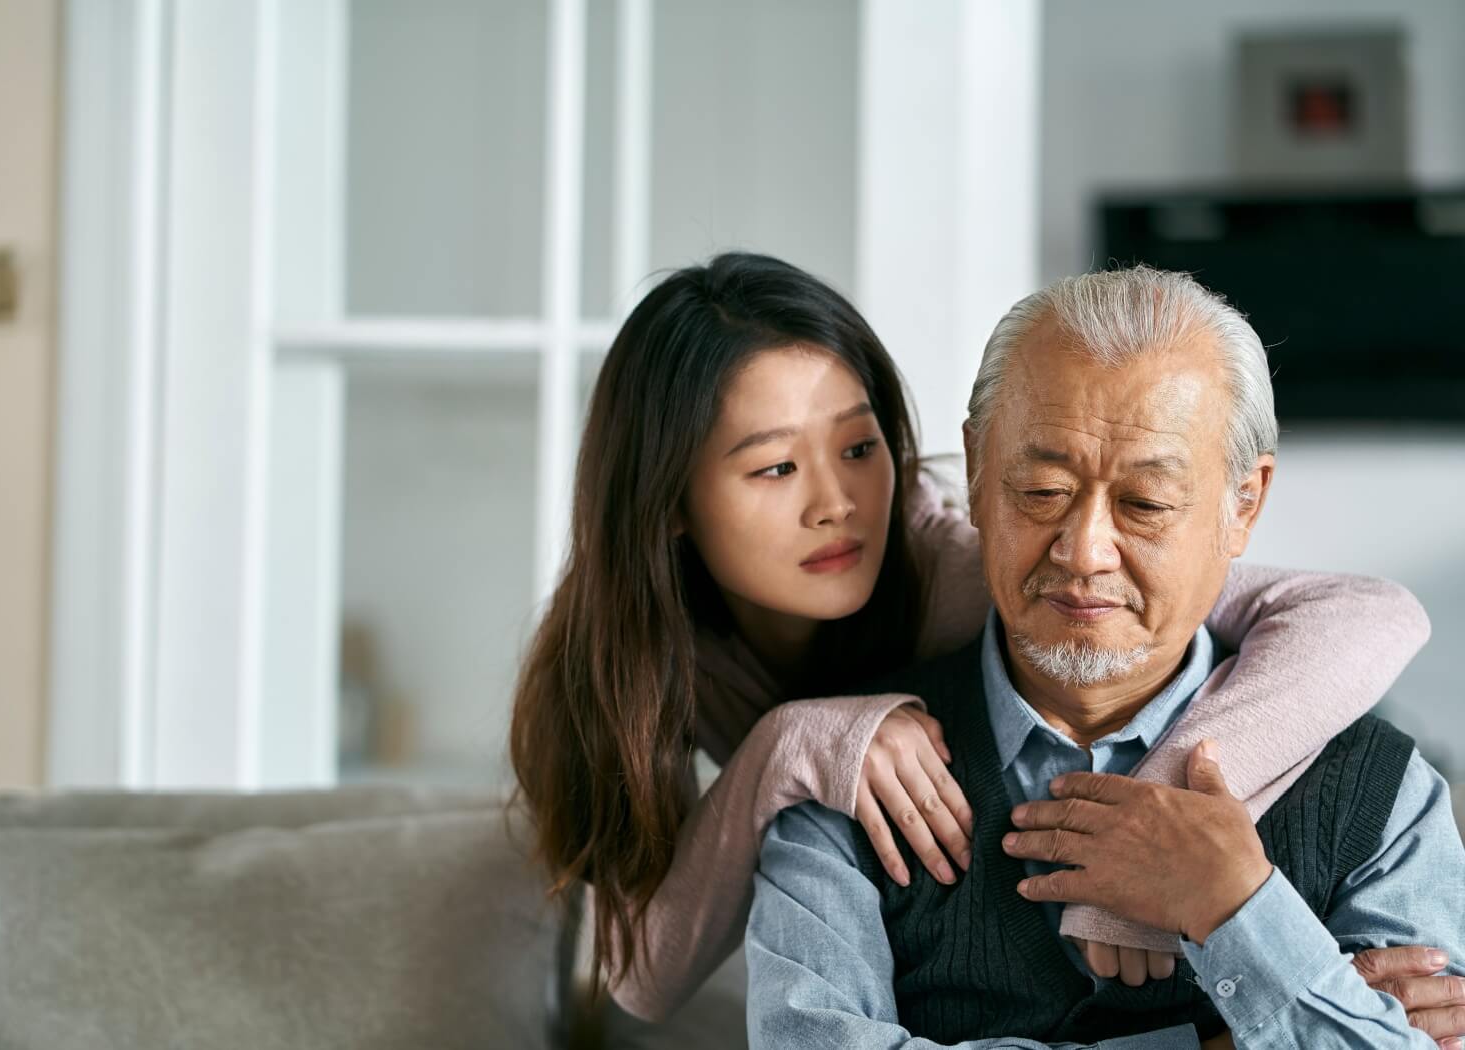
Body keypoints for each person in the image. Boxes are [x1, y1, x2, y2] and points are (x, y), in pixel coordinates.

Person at [507, 253, 1435, 1021]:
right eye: (776, 467)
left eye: (861, 447)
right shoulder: (629, 654)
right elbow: (641, 975)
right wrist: (788, 745)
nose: (836, 504)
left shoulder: (967, 562)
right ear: (668, 499)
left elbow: (1367, 614)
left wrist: (1153, 825)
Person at [745, 265, 1464, 1048]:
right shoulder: (853, 783)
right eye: (1042, 491)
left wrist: (1233, 904)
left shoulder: (1381, 792)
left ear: (1244, 504)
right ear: (978, 469)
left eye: (1145, 504)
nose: (1084, 552)